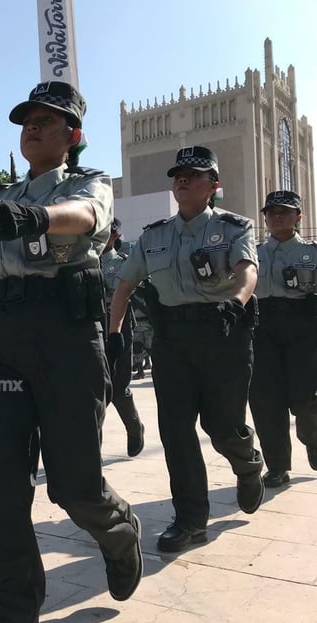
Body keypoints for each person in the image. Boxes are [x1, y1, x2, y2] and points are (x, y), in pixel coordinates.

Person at [0, 81, 142, 623]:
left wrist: (36, 218)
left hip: (67, 338)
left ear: (74, 134)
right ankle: (17, 603)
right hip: (3, 340)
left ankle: (118, 532)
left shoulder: (90, 182)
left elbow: (85, 216)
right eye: (27, 121)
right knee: (1, 481)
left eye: (48, 120)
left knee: (75, 485)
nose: (34, 128)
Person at [110, 146, 264, 553]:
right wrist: (113, 334)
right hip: (172, 342)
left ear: (213, 185)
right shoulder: (155, 235)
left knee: (222, 427)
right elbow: (124, 286)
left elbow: (248, 270)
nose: (181, 179)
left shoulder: (234, 227)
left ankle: (248, 464)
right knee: (176, 432)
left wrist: (235, 302)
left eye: (193, 175)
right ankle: (191, 520)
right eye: (177, 174)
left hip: (223, 334)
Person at [249, 190, 317, 488]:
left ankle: (313, 440)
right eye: (271, 212)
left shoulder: (312, 252)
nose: (276, 217)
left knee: (306, 399)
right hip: (262, 329)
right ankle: (277, 466)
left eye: (284, 211)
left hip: (303, 329)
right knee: (266, 401)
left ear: (298, 217)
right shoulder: (251, 253)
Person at [101, 219, 145, 457]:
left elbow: (123, 294)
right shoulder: (83, 260)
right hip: (90, 329)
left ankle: (134, 426)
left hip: (118, 328)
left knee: (118, 386)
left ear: (116, 236)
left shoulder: (121, 264)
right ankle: (89, 451)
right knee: (93, 390)